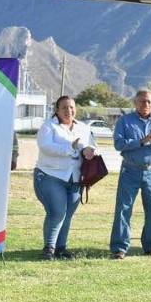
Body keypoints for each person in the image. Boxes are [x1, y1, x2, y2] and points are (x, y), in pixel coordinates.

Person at [110, 89, 151, 259]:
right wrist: (141, 141)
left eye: (149, 102)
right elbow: (118, 144)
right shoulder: (125, 121)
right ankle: (119, 247)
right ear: (135, 103)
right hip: (130, 170)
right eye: (142, 101)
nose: (146, 104)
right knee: (123, 208)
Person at [34, 95, 97, 260]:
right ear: (57, 110)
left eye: (72, 107)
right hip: (50, 175)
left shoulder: (83, 128)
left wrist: (90, 151)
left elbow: (92, 146)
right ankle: (49, 248)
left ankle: (61, 248)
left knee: (67, 215)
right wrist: (71, 147)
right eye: (64, 107)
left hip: (75, 178)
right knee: (57, 212)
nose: (69, 110)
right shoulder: (48, 126)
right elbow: (46, 147)